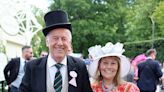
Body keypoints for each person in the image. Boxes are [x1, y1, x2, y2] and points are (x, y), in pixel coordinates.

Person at [19, 10, 92, 92]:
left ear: (69, 42)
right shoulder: (32, 67)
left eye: (64, 39)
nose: (60, 43)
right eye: (55, 38)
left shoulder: (80, 66)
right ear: (47, 42)